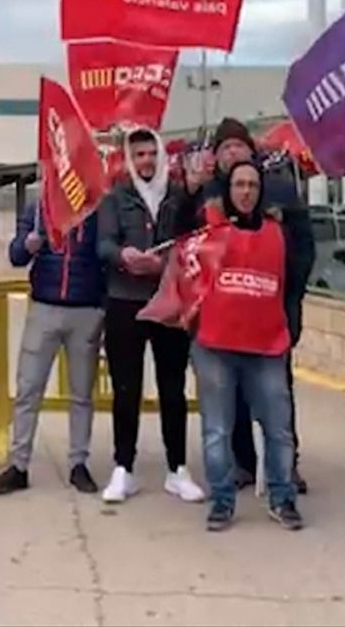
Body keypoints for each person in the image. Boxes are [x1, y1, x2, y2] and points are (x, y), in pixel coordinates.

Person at [187, 117, 316, 493]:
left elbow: (302, 248)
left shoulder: (279, 190)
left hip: (271, 315)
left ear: (250, 150)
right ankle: (243, 462)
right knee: (230, 402)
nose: (232, 153)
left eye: (238, 146)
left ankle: (286, 467)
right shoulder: (206, 195)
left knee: (277, 397)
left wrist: (290, 298)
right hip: (220, 320)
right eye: (225, 148)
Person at [96, 127, 204, 505]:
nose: (145, 161)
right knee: (126, 388)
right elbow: (104, 243)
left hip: (168, 300)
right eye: (138, 155)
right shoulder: (115, 197)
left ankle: (178, 469)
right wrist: (124, 256)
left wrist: (165, 263)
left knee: (172, 387)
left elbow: (192, 238)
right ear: (130, 159)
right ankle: (123, 467)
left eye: (150, 154)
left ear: (160, 157)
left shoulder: (177, 196)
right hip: (125, 300)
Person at [0, 198, 107, 495]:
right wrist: (27, 245)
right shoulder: (40, 207)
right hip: (44, 306)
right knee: (28, 387)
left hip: (86, 308)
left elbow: (106, 259)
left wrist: (104, 310)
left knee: (81, 393)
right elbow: (16, 255)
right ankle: (19, 464)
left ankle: (79, 462)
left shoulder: (98, 209)